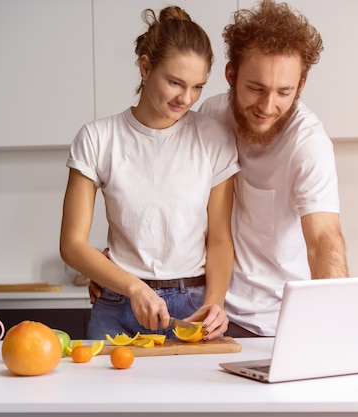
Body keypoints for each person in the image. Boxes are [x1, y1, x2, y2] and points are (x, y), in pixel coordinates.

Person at [60, 6, 239, 341]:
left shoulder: (214, 137)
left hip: (191, 310)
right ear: (145, 67)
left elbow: (219, 238)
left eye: (197, 87)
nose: (186, 98)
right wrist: (132, 286)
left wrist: (215, 304)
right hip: (117, 305)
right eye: (175, 82)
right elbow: (71, 244)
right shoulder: (98, 138)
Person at [197, 0, 349, 337]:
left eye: (284, 92)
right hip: (210, 311)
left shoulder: (308, 143)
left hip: (278, 323)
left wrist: (337, 319)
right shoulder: (209, 117)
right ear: (231, 74)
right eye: (255, 89)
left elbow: (323, 238)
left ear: (302, 85)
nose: (267, 107)